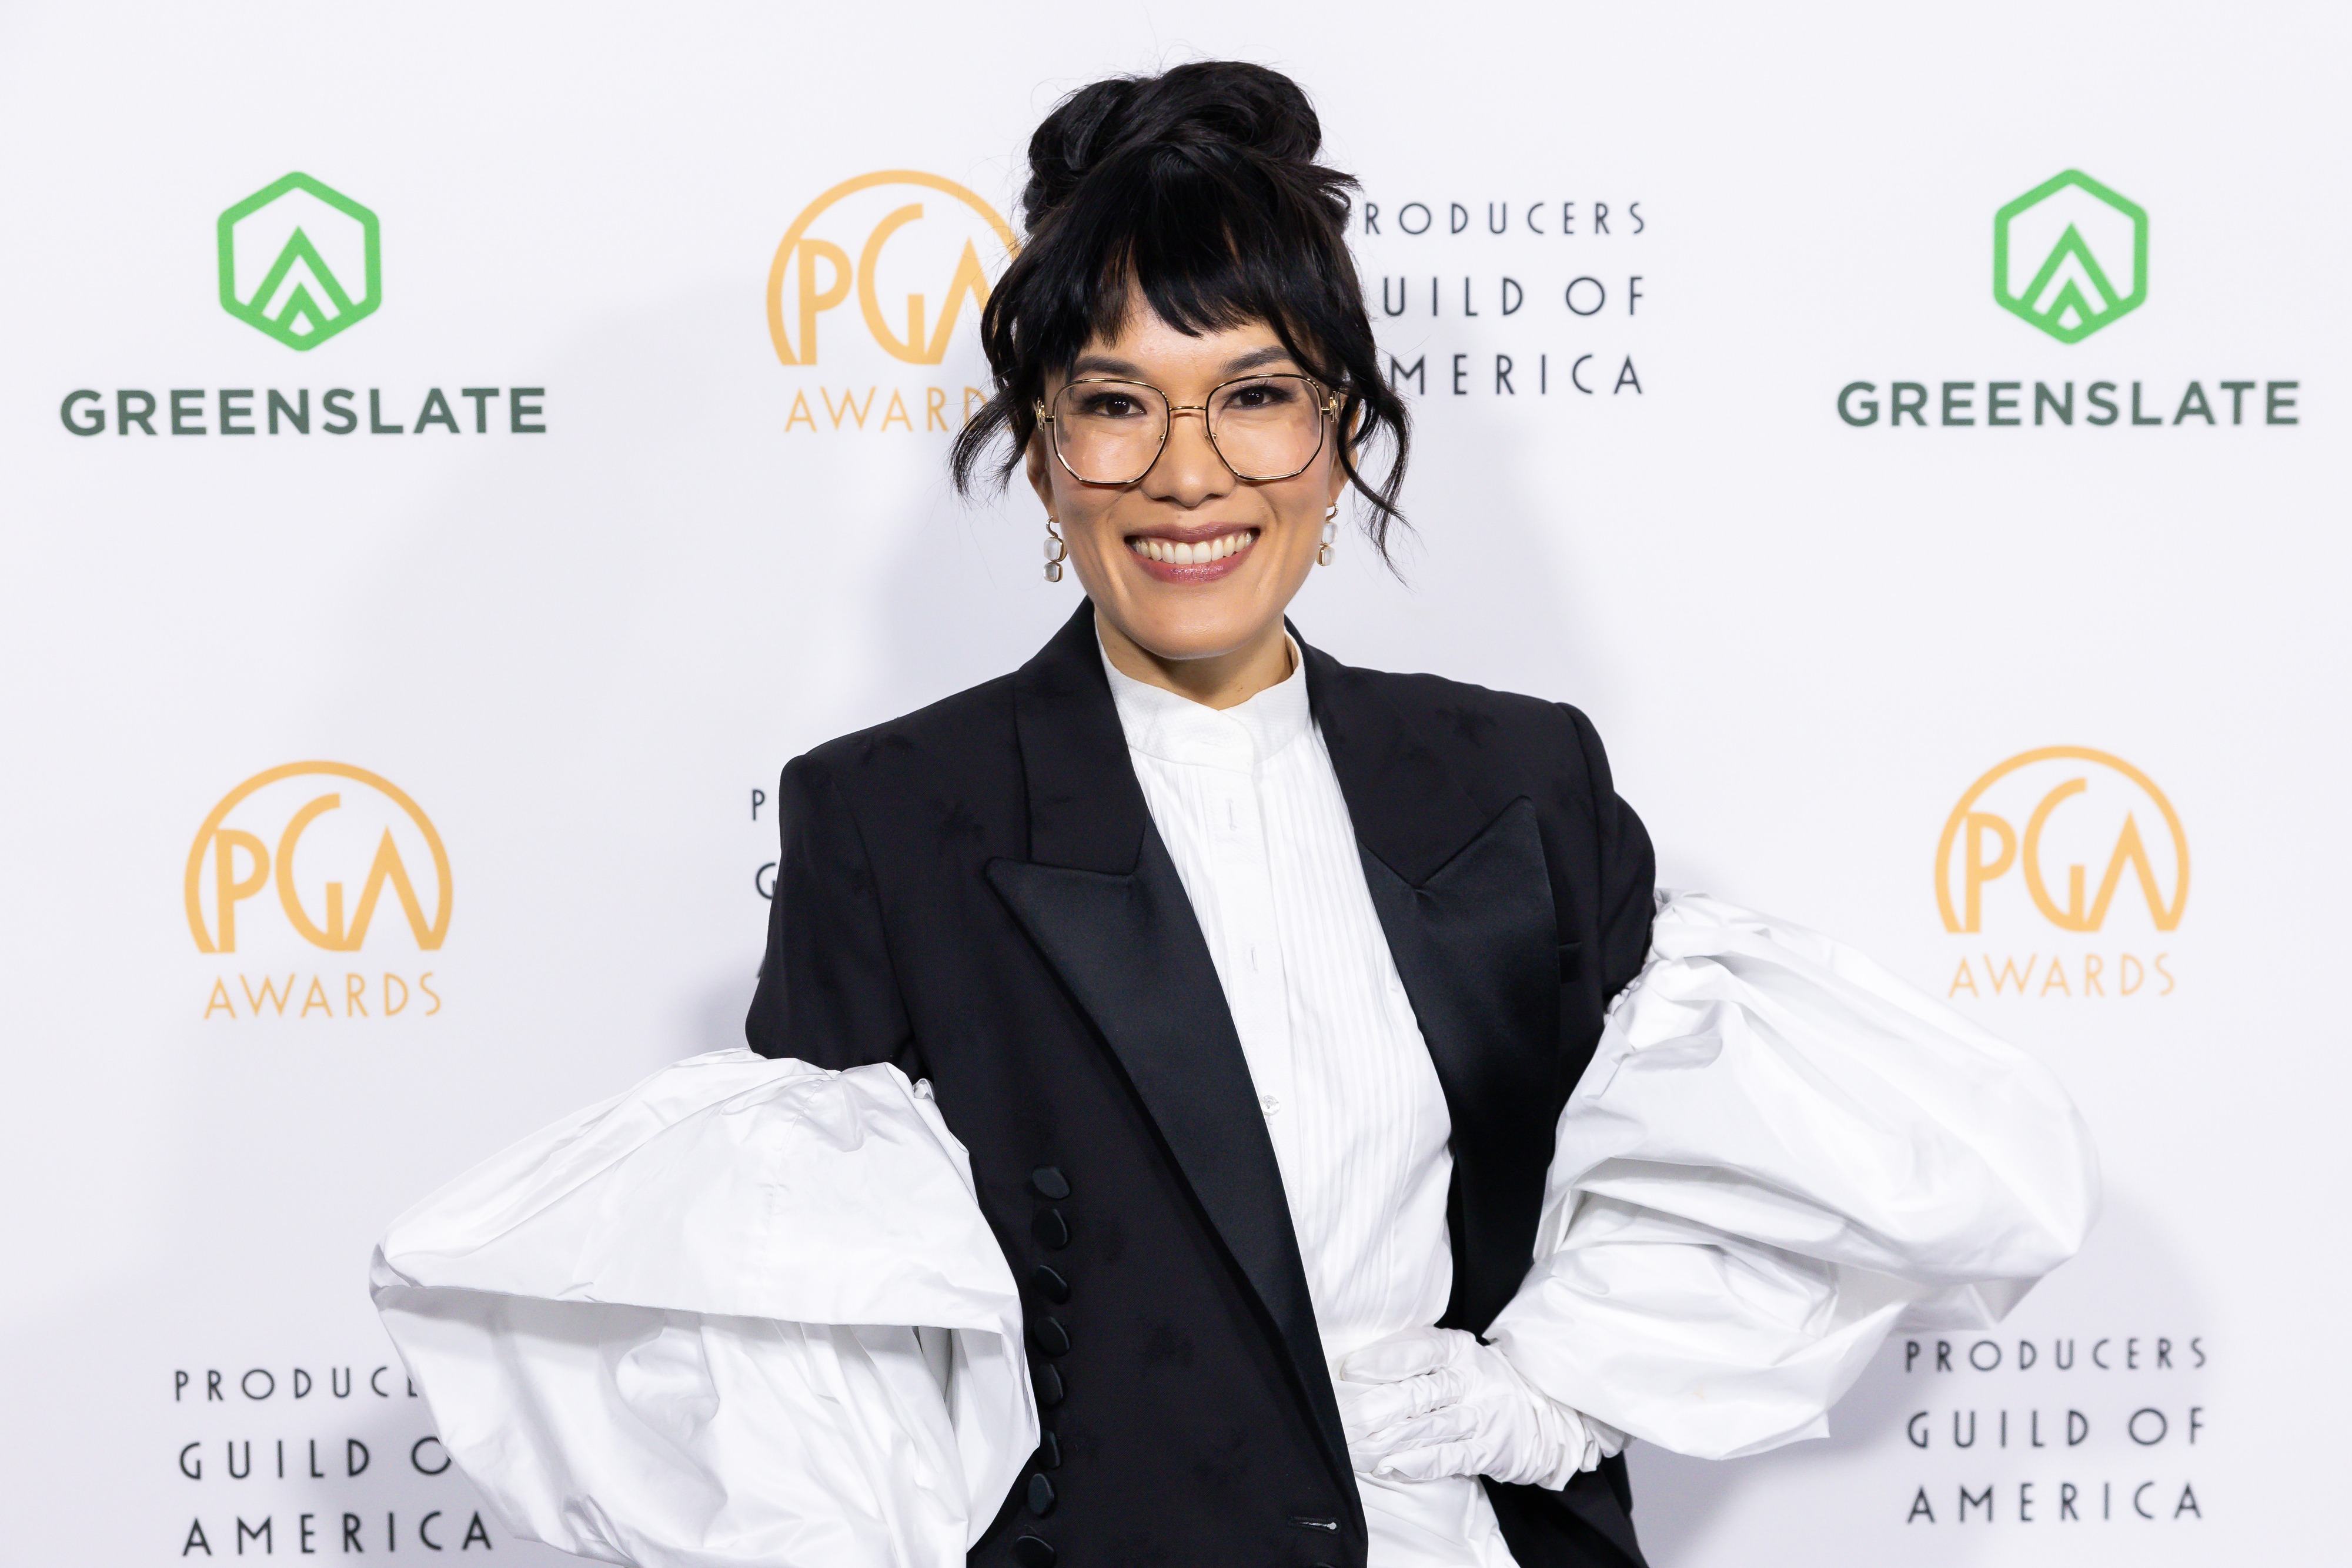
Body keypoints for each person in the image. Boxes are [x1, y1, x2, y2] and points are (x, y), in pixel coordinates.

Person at [371, 61, 2097, 1568]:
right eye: (1117, 403)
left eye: (1255, 395)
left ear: (1338, 431)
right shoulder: (889, 820)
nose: (1187, 471)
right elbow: (815, 1352)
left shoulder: (1521, 780)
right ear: (1044, 450)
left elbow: (1725, 1178)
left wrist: (1550, 1388)